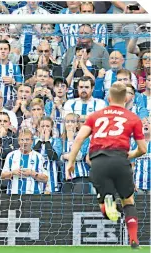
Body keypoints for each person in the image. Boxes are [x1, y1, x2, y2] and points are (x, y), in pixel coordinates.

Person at [66, 82, 148, 249]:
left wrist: (71, 161)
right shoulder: (133, 118)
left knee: (105, 204)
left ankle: (106, 202)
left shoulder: (95, 116)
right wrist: (130, 155)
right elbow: (143, 149)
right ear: (125, 98)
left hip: (98, 162)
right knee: (129, 201)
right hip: (121, 161)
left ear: (109, 98)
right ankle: (134, 239)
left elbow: (79, 139)